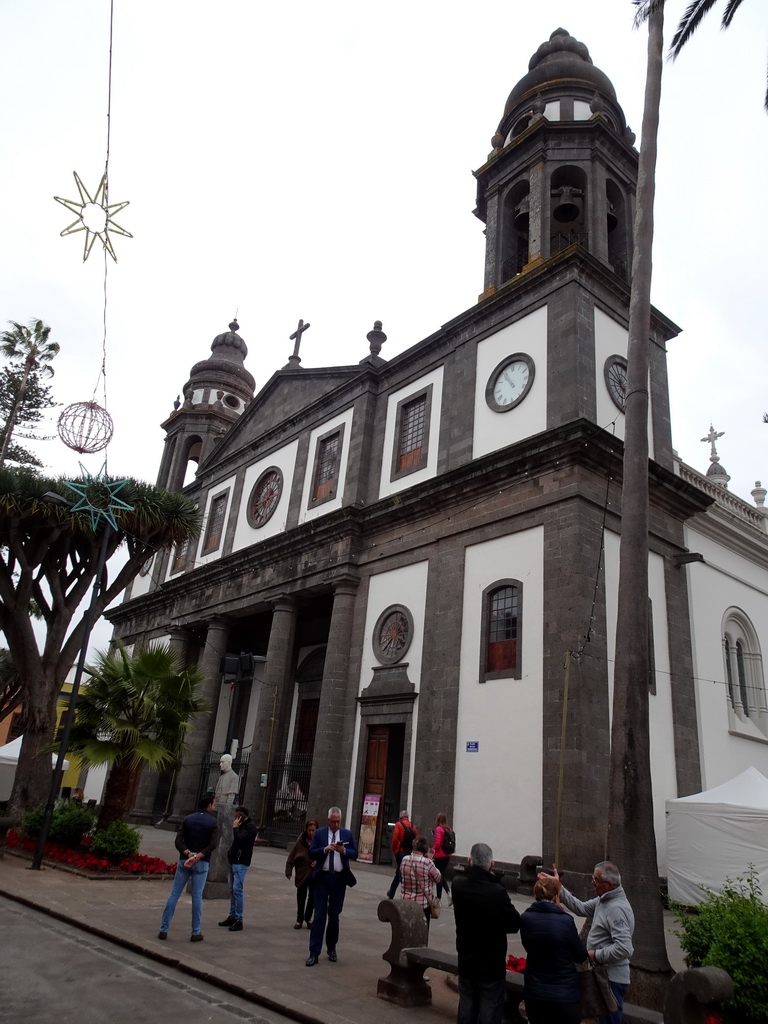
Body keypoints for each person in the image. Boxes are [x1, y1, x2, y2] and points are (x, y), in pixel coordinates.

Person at [541, 861, 634, 1024]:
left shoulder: (616, 908)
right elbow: (581, 908)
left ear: (609, 884)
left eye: (596, 880)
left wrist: (594, 955)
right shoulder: (603, 900)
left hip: (611, 977)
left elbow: (624, 948)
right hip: (604, 975)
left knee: (610, 1019)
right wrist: (559, 888)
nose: (592, 883)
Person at [452, 842, 520, 1024]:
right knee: (489, 1011)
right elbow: (514, 923)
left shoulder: (458, 886)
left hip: (466, 960)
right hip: (491, 965)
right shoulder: (496, 891)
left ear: (469, 861)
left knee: (466, 1008)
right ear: (492, 865)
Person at [519, 873, 588, 1024]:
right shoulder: (565, 921)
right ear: (556, 897)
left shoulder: (525, 919)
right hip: (565, 995)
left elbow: (527, 945)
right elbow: (580, 955)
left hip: (535, 993)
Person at [158, 795, 218, 942]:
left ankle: (163, 929)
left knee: (174, 894)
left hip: (185, 861)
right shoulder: (213, 822)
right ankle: (195, 931)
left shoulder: (188, 819)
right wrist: (198, 856)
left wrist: (188, 853)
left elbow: (178, 841)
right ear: (209, 805)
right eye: (214, 803)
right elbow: (213, 844)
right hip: (201, 862)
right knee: (197, 897)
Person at [305, 806, 358, 966]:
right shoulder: (320, 833)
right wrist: (324, 849)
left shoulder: (347, 834)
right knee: (319, 915)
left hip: (339, 879)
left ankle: (332, 948)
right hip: (322, 878)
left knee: (334, 916)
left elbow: (355, 853)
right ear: (328, 820)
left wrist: (343, 851)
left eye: (338, 822)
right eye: (333, 822)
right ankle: (314, 952)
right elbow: (311, 852)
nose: (336, 825)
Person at [218, 805, 257, 932]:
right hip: (234, 860)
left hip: (241, 861)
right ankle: (232, 915)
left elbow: (239, 839)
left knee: (237, 889)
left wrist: (235, 828)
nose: (234, 818)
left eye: (236, 816)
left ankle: (239, 919)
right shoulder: (242, 826)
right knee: (232, 889)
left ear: (241, 816)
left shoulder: (250, 828)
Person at [400, 835, 441, 929]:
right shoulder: (427, 862)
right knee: (422, 932)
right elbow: (438, 878)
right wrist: (431, 862)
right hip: (423, 904)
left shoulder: (404, 859)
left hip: (406, 902)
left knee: (407, 930)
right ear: (425, 849)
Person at [286, 818, 318, 928]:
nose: (311, 833)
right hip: (302, 873)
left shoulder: (319, 842)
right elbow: (292, 855)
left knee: (313, 897)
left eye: (313, 830)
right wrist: (288, 870)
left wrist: (317, 862)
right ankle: (299, 919)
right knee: (301, 897)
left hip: (314, 873)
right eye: (309, 830)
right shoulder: (301, 841)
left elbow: (324, 855)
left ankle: (308, 917)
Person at [386, 809, 417, 899]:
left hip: (401, 851)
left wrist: (394, 849)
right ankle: (391, 892)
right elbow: (416, 838)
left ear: (400, 817)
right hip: (409, 852)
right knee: (399, 872)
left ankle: (404, 893)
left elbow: (395, 839)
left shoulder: (399, 825)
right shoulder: (412, 825)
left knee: (401, 873)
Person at [432, 811, 454, 900]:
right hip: (447, 856)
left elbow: (437, 844)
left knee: (438, 877)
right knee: (441, 875)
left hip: (439, 856)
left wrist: (432, 851)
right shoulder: (449, 829)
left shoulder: (438, 829)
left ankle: (439, 898)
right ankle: (448, 893)